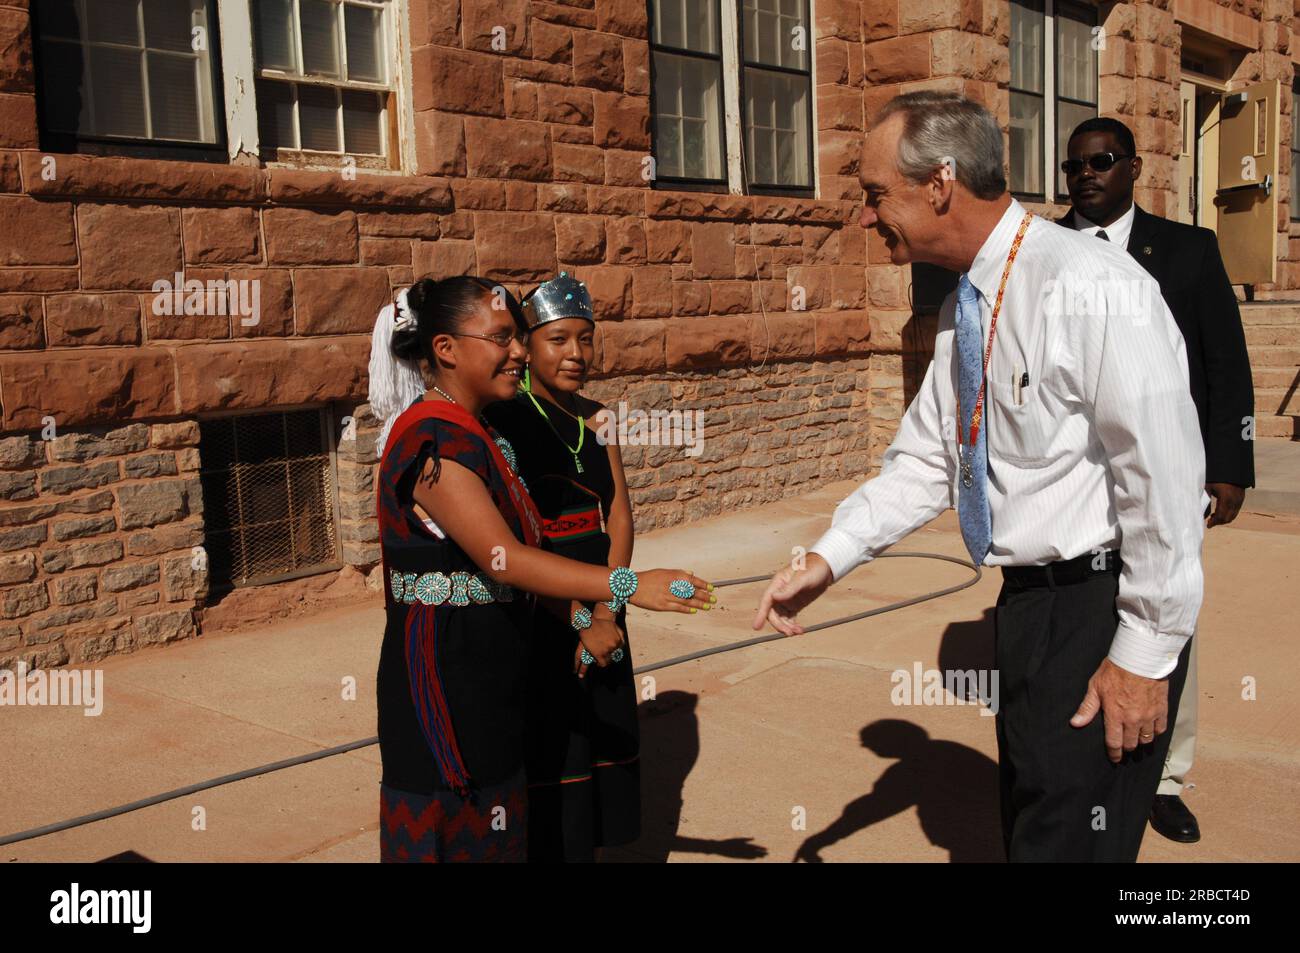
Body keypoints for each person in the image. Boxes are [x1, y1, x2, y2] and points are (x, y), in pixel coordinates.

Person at [754, 92, 1207, 862]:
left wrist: (1143, 653)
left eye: (874, 195)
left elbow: (1163, 476)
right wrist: (828, 556)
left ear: (938, 184)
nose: (867, 218)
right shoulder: (967, 303)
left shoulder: (1092, 285)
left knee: (1069, 845)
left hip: (1099, 610)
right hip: (1029, 612)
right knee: (1035, 830)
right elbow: (931, 459)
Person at [367, 276, 715, 862]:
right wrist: (630, 586)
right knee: (452, 824)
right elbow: (505, 559)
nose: (521, 352)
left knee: (501, 823)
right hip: (445, 670)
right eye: (503, 338)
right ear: (446, 349)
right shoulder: (434, 440)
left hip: (489, 662)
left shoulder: (476, 433)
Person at [1059, 116, 1255, 844]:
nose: (1086, 174)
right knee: (1080, 616)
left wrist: (1231, 464)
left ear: (1134, 167)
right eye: (1074, 164)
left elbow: (1226, 365)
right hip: (1075, 480)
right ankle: (1087, 754)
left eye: (1102, 160)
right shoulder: (1045, 250)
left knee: (1167, 614)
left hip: (1165, 475)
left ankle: (1165, 774)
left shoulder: (1188, 251)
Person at [483, 272, 641, 862]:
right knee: (553, 744)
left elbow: (619, 516)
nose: (576, 354)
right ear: (528, 346)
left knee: (602, 733)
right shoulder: (506, 423)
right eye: (558, 340)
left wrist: (609, 606)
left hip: (602, 584)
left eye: (586, 339)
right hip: (542, 595)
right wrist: (578, 617)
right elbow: (507, 545)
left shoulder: (603, 419)